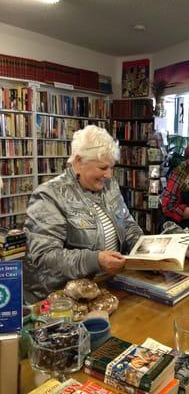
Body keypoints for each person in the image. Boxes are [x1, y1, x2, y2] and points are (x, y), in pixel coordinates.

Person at [23, 125, 143, 303]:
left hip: (106, 286)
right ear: (79, 162)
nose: (109, 175)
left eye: (112, 167)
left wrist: (146, 252)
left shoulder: (109, 186)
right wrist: (95, 260)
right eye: (103, 168)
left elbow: (127, 223)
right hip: (64, 299)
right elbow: (45, 257)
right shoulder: (48, 196)